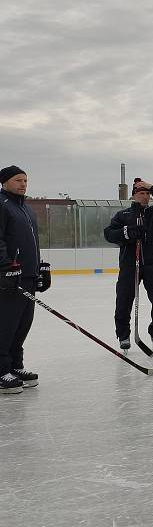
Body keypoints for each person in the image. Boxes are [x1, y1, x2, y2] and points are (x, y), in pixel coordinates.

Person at [103, 178, 153, 351]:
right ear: (134, 195)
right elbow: (109, 234)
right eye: (142, 193)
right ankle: (123, 335)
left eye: (148, 194)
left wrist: (152, 186)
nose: (146, 196)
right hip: (129, 264)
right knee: (124, 300)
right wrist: (127, 233)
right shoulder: (123, 215)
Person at [0, 166, 48, 393]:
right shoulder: (2, 205)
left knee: (22, 325)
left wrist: (40, 268)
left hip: (27, 276)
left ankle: (15, 367)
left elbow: (32, 244)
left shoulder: (27, 210)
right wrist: (5, 267)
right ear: (4, 182)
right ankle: (1, 371)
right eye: (18, 180)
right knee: (6, 325)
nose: (23, 184)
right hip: (8, 278)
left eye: (25, 180)